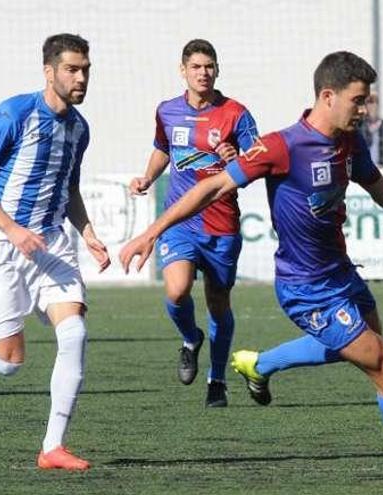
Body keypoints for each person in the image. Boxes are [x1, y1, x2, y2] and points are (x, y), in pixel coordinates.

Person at [120, 51, 383, 486]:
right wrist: (153, 231)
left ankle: (260, 364)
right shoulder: (282, 146)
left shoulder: (350, 142)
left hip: (342, 275)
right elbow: (214, 185)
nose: (364, 109)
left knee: (369, 347)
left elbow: (381, 189)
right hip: (306, 288)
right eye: (358, 100)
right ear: (328, 96)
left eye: (367, 101)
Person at [0, 33, 109, 470]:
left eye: (85, 70)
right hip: (1, 243)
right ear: (49, 71)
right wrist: (12, 227)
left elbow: (70, 186)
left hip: (51, 243)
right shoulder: (14, 114)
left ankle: (52, 448)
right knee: (9, 365)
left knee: (75, 333)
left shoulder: (80, 128)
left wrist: (88, 232)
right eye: (71, 69)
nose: (81, 78)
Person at [128, 39, 258, 408]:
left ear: (217, 70)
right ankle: (190, 339)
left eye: (209, 66)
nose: (203, 73)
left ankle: (216, 380)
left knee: (219, 303)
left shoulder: (235, 113)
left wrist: (238, 157)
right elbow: (163, 148)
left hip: (222, 225)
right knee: (176, 290)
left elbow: (256, 159)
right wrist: (147, 178)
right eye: (196, 66)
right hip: (181, 222)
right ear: (182, 70)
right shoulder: (167, 111)